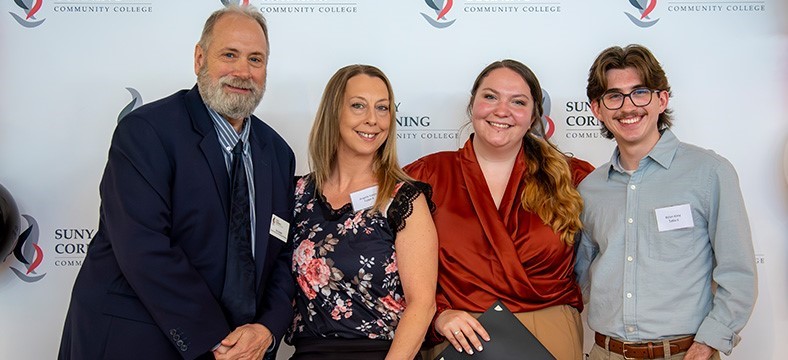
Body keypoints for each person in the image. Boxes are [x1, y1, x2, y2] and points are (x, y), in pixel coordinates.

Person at [59, 5, 296, 360]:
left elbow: (283, 256)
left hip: (238, 349)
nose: (243, 72)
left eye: (256, 60)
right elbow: (143, 247)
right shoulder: (146, 132)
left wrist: (266, 329)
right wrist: (218, 339)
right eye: (229, 54)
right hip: (137, 340)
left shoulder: (278, 154)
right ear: (200, 57)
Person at [575, 44, 757, 360]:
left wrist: (709, 342)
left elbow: (737, 272)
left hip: (685, 354)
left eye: (640, 92)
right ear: (597, 109)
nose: (628, 107)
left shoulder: (709, 173)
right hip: (606, 352)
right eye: (614, 96)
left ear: (662, 99)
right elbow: (576, 278)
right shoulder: (590, 188)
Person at [405, 59, 594, 360]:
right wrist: (438, 315)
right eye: (490, 96)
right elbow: (382, 264)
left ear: (533, 115)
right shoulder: (427, 175)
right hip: (460, 336)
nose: (501, 110)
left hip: (549, 334)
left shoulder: (573, 177)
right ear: (472, 104)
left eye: (517, 101)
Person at [285, 64, 438, 360]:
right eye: (358, 106)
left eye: (383, 108)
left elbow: (422, 305)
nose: (373, 120)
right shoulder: (298, 194)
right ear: (334, 112)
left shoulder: (403, 198)